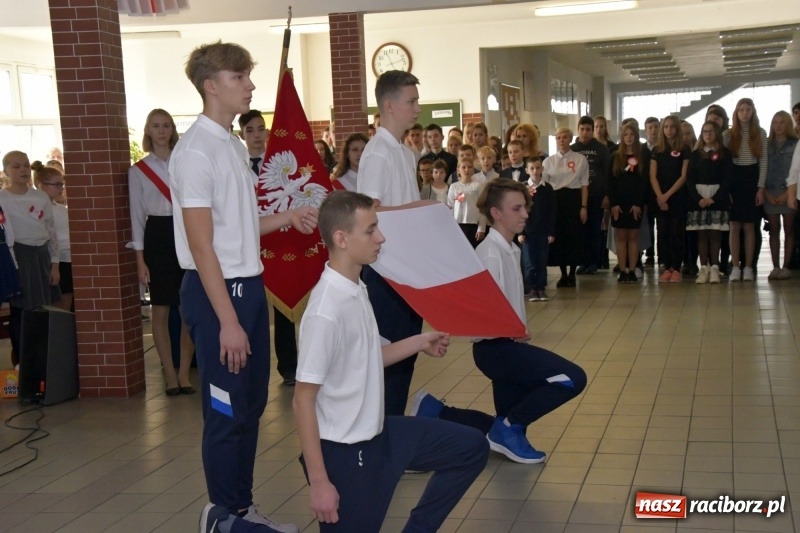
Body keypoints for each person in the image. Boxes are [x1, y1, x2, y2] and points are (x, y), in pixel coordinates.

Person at [170, 41, 318, 533]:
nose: (251, 86)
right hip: (218, 296)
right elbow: (203, 245)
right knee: (225, 410)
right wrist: (228, 322)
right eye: (240, 78)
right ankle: (221, 515)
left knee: (250, 407)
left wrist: (287, 216)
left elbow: (237, 225)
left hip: (246, 288)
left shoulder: (231, 145)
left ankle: (241, 506)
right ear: (212, 86)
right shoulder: (194, 152)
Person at [293, 191, 488, 532]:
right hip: (347, 453)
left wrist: (418, 342)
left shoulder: (356, 288)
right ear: (342, 239)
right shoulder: (326, 310)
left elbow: (364, 360)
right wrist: (321, 482)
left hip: (380, 434)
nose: (381, 237)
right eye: (371, 230)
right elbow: (302, 400)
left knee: (470, 448)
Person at [358, 70, 494, 434]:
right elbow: (369, 213)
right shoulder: (378, 154)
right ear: (389, 105)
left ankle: (394, 434)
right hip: (386, 270)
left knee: (405, 358)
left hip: (407, 268)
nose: (417, 107)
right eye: (411, 101)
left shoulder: (404, 149)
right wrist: (420, 215)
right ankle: (381, 439)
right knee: (391, 359)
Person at [472, 178, 586, 463]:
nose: (525, 214)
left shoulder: (511, 249)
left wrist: (519, 327)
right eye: (517, 208)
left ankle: (436, 412)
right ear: (496, 213)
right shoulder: (490, 253)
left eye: (525, 207)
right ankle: (507, 430)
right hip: (496, 349)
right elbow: (483, 312)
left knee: (507, 417)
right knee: (572, 378)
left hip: (508, 344)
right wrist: (513, 329)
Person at [129, 108, 195, 396]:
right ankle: (169, 372)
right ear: (148, 130)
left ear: (172, 129)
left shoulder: (186, 163)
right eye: (155, 125)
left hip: (186, 232)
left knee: (188, 308)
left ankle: (185, 372)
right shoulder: (138, 171)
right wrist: (140, 260)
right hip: (157, 236)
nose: (161, 130)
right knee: (161, 308)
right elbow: (135, 217)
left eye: (166, 125)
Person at [239, 109, 299, 386]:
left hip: (278, 240)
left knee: (284, 304)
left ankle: (289, 366)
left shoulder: (277, 166)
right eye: (250, 130)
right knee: (251, 306)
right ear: (242, 134)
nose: (256, 135)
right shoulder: (236, 164)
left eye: (260, 129)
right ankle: (249, 363)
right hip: (246, 244)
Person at [0, 151, 59, 368]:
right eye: (16, 166)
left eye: (25, 165)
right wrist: (12, 266)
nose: (23, 169)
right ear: (6, 171)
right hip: (17, 255)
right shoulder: (2, 199)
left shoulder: (40, 197)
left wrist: (55, 263)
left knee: (42, 309)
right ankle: (23, 361)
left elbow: (51, 231)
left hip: (41, 254)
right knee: (20, 310)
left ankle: (43, 358)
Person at [723, 98, 767, 282]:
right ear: (736, 112)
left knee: (750, 226)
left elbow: (763, 162)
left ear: (753, 112)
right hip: (734, 179)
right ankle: (735, 267)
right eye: (741, 109)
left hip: (752, 179)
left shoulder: (760, 133)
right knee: (734, 226)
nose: (744, 113)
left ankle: (748, 266)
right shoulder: (728, 134)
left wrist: (760, 187)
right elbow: (724, 164)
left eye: (748, 109)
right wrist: (726, 189)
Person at [542, 127, 589, 288]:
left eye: (564, 137)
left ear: (570, 139)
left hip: (573, 199)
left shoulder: (580, 159)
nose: (561, 140)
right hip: (556, 200)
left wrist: (584, 206)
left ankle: (572, 273)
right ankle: (562, 274)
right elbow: (545, 186)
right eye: (558, 138)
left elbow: (584, 184)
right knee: (559, 237)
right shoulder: (548, 162)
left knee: (573, 236)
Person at [686, 121, 732, 285]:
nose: (708, 134)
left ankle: (715, 267)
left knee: (715, 234)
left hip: (717, 198)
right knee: (702, 235)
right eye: (705, 131)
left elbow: (728, 179)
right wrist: (698, 199)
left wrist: (715, 198)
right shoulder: (695, 154)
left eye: (711, 131)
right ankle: (703, 268)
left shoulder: (724, 153)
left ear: (717, 133)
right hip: (698, 199)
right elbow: (689, 179)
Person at [650, 115, 690, 283]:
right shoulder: (657, 150)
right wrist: (660, 196)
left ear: (677, 129)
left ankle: (676, 267)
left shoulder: (684, 149)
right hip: (660, 199)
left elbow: (683, 176)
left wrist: (668, 195)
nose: (669, 130)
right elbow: (653, 176)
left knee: (676, 233)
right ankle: (667, 267)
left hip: (677, 197)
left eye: (672, 127)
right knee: (663, 233)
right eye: (665, 127)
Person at [759, 111, 797, 280]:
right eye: (775, 122)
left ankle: (787, 266)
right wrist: (765, 192)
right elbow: (762, 170)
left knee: (789, 230)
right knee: (773, 230)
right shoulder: (767, 145)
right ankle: (775, 267)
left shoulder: (795, 144)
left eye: (782, 122)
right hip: (770, 191)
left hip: (788, 192)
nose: (779, 126)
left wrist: (788, 193)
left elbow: (796, 171)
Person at [572, 115, 611, 276]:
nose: (585, 132)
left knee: (595, 229)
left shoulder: (602, 149)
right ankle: (583, 261)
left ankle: (595, 262)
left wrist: (607, 195)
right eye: (582, 129)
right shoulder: (572, 149)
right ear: (578, 130)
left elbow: (608, 174)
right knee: (581, 231)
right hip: (578, 196)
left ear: (593, 130)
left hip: (596, 195)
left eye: (589, 129)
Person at [607, 123, 646, 283]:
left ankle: (632, 269)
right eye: (626, 134)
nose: (629, 137)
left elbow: (644, 183)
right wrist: (614, 203)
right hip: (618, 203)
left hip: (635, 203)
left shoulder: (642, 157)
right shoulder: (614, 157)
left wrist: (638, 203)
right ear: (622, 137)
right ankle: (622, 270)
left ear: (636, 137)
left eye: (632, 134)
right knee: (621, 237)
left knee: (633, 237)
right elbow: (610, 182)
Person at [32, 163, 72, 310]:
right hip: (51, 260)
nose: (61, 188)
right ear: (41, 186)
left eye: (62, 184)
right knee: (53, 303)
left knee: (67, 301)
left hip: (67, 259)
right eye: (57, 185)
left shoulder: (62, 210)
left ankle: (63, 331)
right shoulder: (35, 210)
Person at [519, 156, 555, 301]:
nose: (535, 171)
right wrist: (520, 231)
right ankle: (531, 288)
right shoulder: (523, 188)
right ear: (527, 170)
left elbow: (552, 211)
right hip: (528, 231)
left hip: (543, 231)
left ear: (542, 169)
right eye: (532, 168)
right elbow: (519, 210)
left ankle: (541, 288)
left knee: (541, 261)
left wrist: (551, 232)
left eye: (538, 168)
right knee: (529, 262)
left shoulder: (547, 188)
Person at [447, 157, 485, 248]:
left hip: (473, 225)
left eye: (470, 167)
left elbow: (482, 208)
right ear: (458, 170)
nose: (467, 170)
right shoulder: (454, 187)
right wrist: (451, 227)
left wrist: (481, 228)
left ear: (473, 170)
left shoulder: (477, 186)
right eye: (463, 167)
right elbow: (449, 208)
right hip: (458, 225)